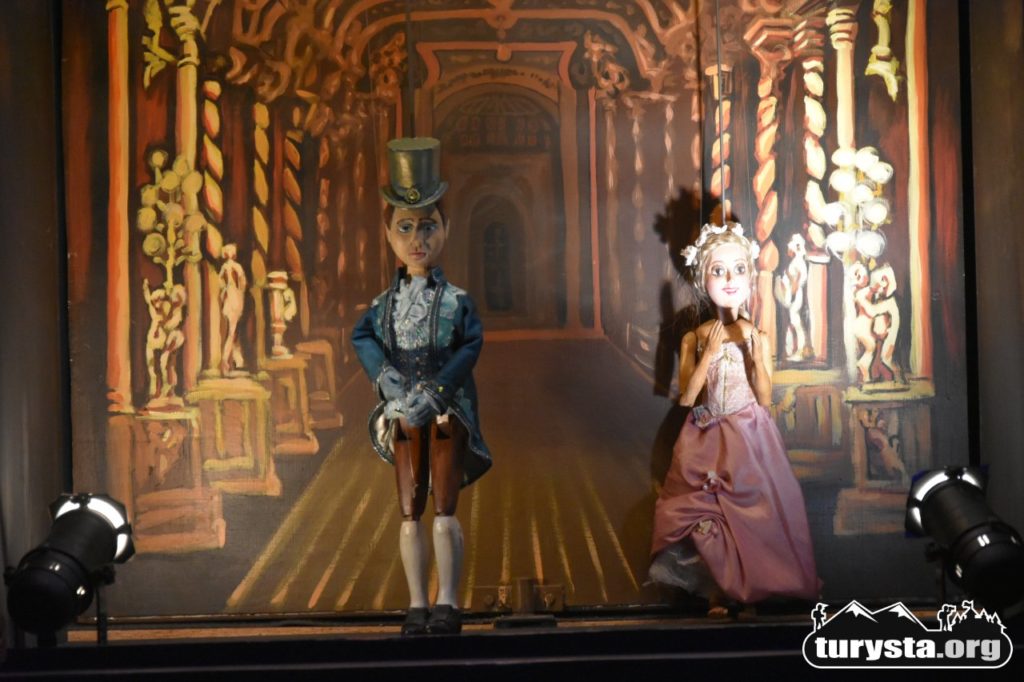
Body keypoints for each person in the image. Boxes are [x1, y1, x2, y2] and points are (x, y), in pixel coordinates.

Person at [352, 137, 491, 635]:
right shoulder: (382, 305)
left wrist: (439, 390)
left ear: (445, 229)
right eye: (405, 227)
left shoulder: (456, 301)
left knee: (444, 505)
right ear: (389, 234)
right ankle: (416, 602)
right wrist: (385, 379)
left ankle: (447, 601)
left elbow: (469, 345)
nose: (418, 239)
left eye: (428, 226)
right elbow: (363, 338)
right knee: (409, 508)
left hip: (446, 410)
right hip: (402, 412)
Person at [650, 222, 819, 615]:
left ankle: (754, 591)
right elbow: (687, 397)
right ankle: (719, 591)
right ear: (702, 278)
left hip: (748, 434)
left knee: (754, 512)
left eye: (739, 269)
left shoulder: (757, 336)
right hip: (707, 433)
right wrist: (708, 353)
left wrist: (756, 356)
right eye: (719, 270)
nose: (730, 279)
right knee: (710, 513)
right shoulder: (695, 337)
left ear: (751, 276)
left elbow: (764, 398)